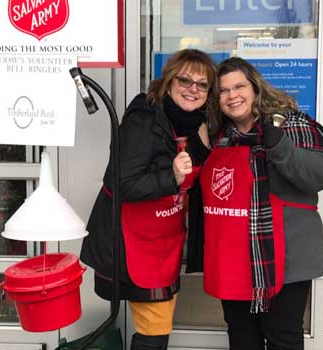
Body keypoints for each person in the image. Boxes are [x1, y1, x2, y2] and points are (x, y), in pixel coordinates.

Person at [186, 57, 323, 350]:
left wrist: (280, 147)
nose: (232, 95)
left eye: (239, 86)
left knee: (283, 338)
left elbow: (320, 174)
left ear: (255, 88)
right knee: (242, 338)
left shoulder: (291, 123)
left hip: (287, 261)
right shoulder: (221, 136)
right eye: (223, 90)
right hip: (235, 261)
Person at [80, 49, 216, 350]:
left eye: (202, 84)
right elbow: (121, 183)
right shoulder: (143, 121)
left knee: (156, 327)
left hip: (164, 239)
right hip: (135, 240)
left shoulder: (196, 124)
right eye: (185, 80)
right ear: (168, 82)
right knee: (154, 331)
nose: (193, 89)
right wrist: (172, 178)